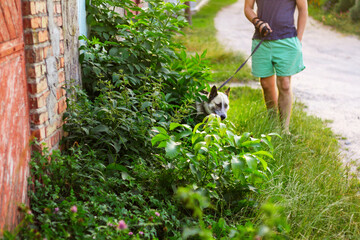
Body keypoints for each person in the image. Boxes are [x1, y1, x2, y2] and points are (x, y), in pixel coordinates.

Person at [244, 0, 308, 134]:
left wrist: (298, 40)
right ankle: (272, 125)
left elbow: (303, 9)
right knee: (266, 84)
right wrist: (258, 22)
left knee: (284, 84)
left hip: (287, 39)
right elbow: (248, 8)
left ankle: (285, 130)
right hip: (261, 39)